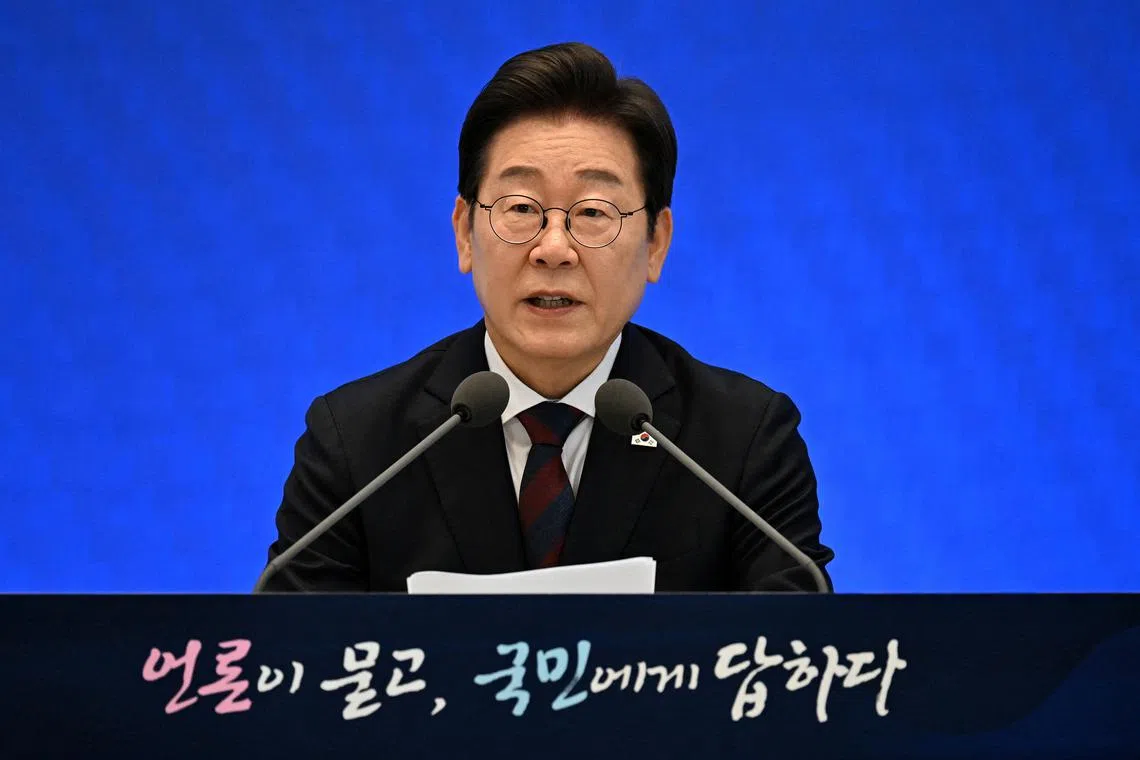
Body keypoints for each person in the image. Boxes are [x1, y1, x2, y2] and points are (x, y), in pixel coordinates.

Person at [261, 42, 834, 592]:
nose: (553, 247)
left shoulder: (742, 442)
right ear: (464, 233)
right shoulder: (358, 443)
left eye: (592, 212)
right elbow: (289, 664)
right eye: (521, 208)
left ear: (656, 242)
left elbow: (796, 657)